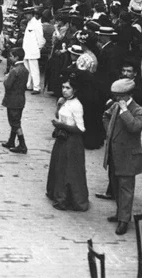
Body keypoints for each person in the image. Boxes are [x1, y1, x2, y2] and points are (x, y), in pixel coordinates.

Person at [102, 78, 142, 235]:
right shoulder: (115, 106)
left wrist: (125, 111)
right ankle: (119, 213)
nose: (116, 99)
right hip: (114, 154)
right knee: (115, 186)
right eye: (115, 96)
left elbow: (134, 127)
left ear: (127, 95)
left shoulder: (138, 111)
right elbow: (105, 116)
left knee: (126, 189)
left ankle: (124, 220)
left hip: (128, 157)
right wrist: (110, 133)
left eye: (118, 96)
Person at [46, 79, 89, 211]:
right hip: (61, 139)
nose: (64, 90)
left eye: (68, 88)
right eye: (63, 87)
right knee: (58, 167)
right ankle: (57, 194)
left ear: (74, 90)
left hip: (72, 142)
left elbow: (81, 128)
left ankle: (67, 199)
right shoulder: (64, 101)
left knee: (68, 170)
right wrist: (58, 106)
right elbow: (59, 116)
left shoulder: (77, 105)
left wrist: (62, 126)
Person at [1, 47, 29, 154]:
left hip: (12, 100)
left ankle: (22, 145)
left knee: (15, 123)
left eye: (11, 56)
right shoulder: (25, 69)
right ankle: (11, 141)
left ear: (16, 57)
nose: (10, 58)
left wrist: (6, 77)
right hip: (20, 99)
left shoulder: (14, 70)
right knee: (15, 120)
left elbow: (8, 85)